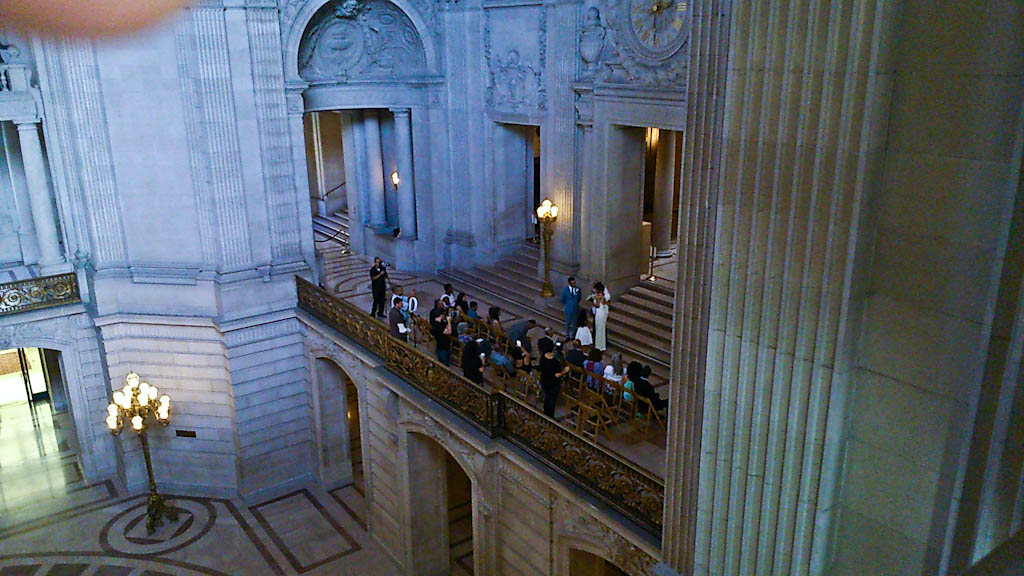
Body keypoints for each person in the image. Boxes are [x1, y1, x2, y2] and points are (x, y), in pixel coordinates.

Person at [538, 338, 569, 418]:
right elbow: (557, 375)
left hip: (544, 380)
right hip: (553, 383)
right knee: (551, 400)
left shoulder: (542, 358)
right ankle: (550, 417)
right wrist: (565, 371)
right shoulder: (555, 361)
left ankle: (546, 413)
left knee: (547, 397)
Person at [429, 302, 452, 366]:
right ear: (441, 315)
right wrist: (449, 321)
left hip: (446, 345)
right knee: (443, 364)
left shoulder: (441, 323)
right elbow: (449, 332)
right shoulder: (437, 325)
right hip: (442, 347)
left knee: (447, 362)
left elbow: (447, 328)